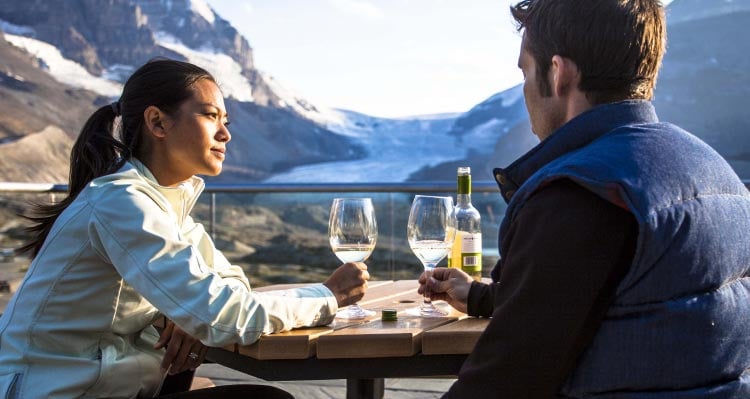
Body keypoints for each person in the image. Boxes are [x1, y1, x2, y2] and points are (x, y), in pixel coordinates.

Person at [420, 0, 750, 397]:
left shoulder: (581, 193)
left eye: (525, 71)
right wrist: (479, 296)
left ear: (559, 74)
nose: (525, 91)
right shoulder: (718, 175)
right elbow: (627, 298)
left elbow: (504, 379)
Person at [0, 59, 370, 398]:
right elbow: (227, 314)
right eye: (211, 116)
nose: (225, 134)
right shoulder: (122, 203)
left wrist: (189, 314)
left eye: (226, 121)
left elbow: (232, 287)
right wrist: (327, 296)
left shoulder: (169, 208)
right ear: (158, 122)